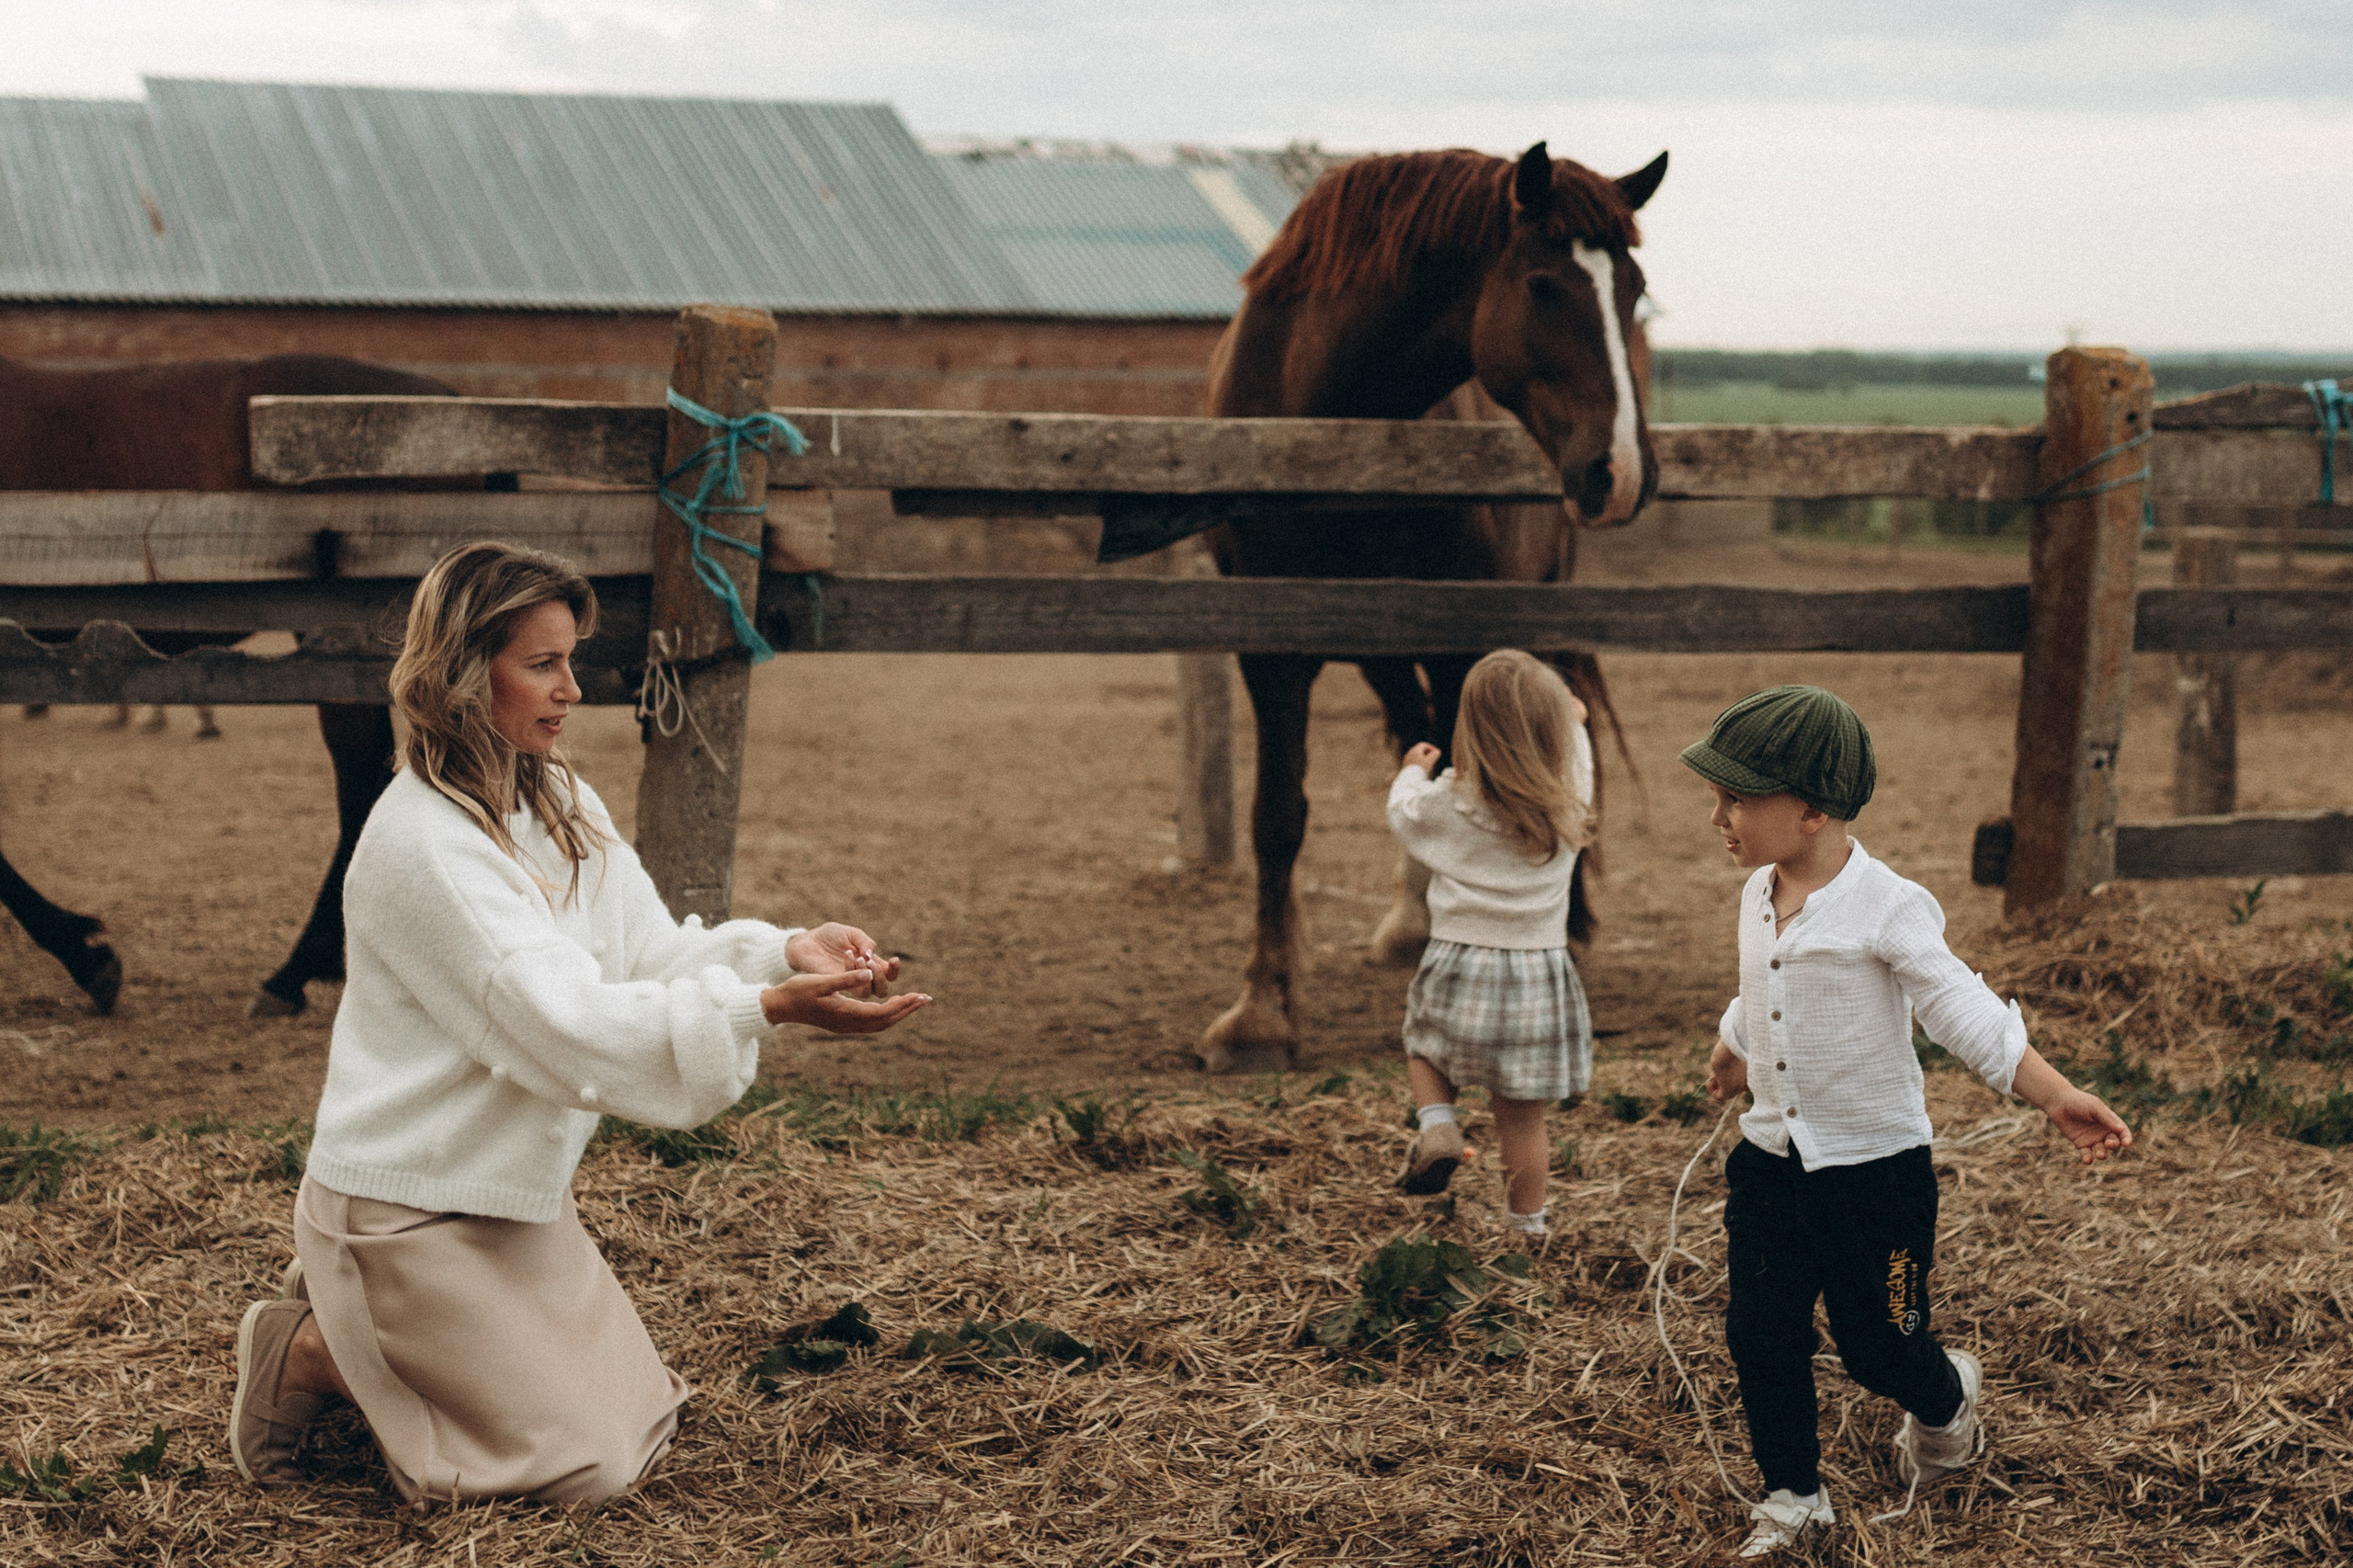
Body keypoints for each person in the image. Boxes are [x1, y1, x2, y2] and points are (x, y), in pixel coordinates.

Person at [229, 541, 929, 1502]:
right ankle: (314, 1345)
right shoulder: (425, 845)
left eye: (573, 659)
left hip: (509, 1193)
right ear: (466, 672)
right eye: (542, 664)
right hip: (405, 1206)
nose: (573, 689)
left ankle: (381, 1335)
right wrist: (761, 1008)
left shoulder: (553, 793)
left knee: (646, 1417)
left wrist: (783, 950)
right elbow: (565, 1026)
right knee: (582, 1470)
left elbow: (643, 951)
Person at [1684, 685, 2130, 1558]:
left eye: (1738, 797)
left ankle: (1946, 1396)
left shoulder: (1888, 906)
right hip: (1772, 1163)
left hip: (1875, 1178)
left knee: (1880, 1346)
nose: (1719, 816)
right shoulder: (1757, 891)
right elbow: (1764, 984)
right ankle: (1793, 1496)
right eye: (1719, 796)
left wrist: (2053, 1093)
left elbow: (1958, 1004)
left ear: (1811, 808)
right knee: (1760, 1330)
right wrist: (1734, 1045)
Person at [1385, 649, 1596, 1240]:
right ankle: (1527, 1227)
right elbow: (1581, 762)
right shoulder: (1566, 801)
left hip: (1458, 964)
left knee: (1425, 1050)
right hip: (1537, 977)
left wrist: (1411, 768)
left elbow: (1402, 813)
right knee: (1522, 1122)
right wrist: (1574, 726)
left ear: (1467, 730)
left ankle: (1439, 1123)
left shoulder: (1448, 801)